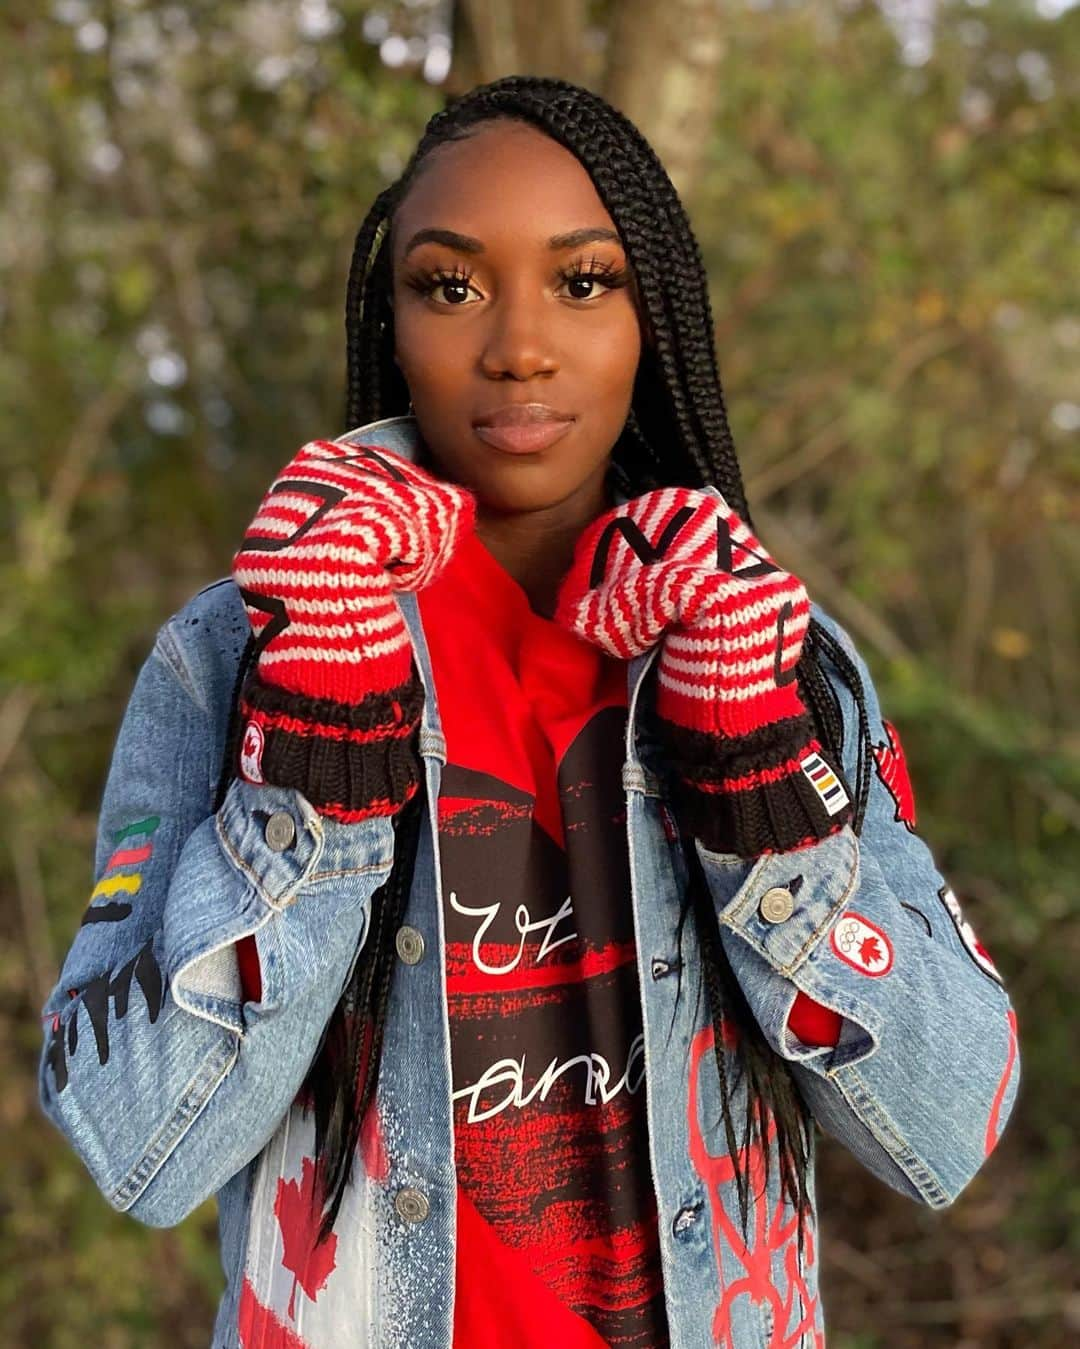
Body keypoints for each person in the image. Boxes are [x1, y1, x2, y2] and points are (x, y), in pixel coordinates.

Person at [38, 76, 1020, 1349]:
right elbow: (140, 1150)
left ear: (651, 318)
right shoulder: (234, 652)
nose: (517, 345)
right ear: (391, 321)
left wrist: (757, 780)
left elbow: (947, 1126)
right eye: (450, 285)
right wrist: (312, 770)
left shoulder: (774, 650)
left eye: (583, 281)